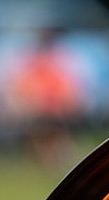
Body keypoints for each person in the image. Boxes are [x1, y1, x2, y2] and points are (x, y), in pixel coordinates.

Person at [9, 28, 85, 167]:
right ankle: (50, 159)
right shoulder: (34, 64)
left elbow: (66, 88)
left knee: (53, 128)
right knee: (41, 128)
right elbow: (23, 89)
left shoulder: (58, 62)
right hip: (39, 109)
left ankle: (58, 158)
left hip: (54, 109)